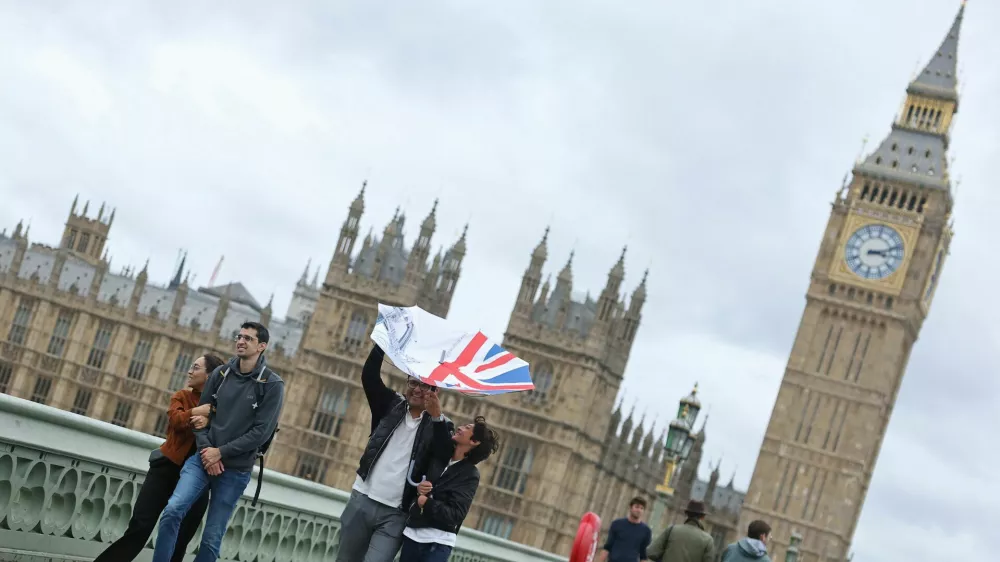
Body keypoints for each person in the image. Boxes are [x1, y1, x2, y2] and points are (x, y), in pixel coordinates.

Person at [151, 322, 285, 562]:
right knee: (172, 511)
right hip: (202, 459)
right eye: (239, 336)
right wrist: (207, 452)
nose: (241, 341)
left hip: (234, 470)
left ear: (262, 346)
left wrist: (220, 453)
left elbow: (261, 433)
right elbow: (201, 418)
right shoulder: (220, 374)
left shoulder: (272, 385)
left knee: (212, 537)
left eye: (248, 339)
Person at [93, 354, 224, 562]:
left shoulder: (223, 408)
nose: (189, 371)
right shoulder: (182, 396)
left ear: (210, 376)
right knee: (139, 528)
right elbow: (175, 421)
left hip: (197, 478)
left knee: (181, 541)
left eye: (195, 367)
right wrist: (199, 411)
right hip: (166, 470)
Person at [336, 342, 454, 562]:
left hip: (396, 514)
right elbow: (369, 377)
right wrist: (382, 343)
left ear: (435, 392)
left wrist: (436, 416)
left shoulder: (442, 426)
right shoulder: (389, 405)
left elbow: (443, 454)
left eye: (425, 385)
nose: (417, 389)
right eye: (413, 382)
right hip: (362, 498)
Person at [400, 404, 500, 562]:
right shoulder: (440, 458)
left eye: (467, 428)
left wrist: (426, 502)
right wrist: (420, 490)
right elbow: (439, 434)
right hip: (412, 534)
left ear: (474, 441)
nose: (460, 427)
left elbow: (456, 514)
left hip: (437, 542)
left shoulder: (470, 475)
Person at [647, 500, 715, 562]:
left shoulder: (672, 530)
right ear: (703, 517)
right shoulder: (708, 540)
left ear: (686, 514)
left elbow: (651, 552)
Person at [598, 497, 653, 562]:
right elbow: (607, 547)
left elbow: (643, 556)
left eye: (642, 508)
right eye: (637, 507)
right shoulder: (617, 524)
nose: (639, 510)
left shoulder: (646, 531)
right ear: (630, 507)